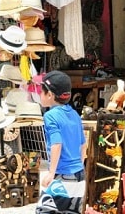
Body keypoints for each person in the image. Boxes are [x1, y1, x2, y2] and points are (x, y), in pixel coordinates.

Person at [36, 70, 87, 214]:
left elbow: (56, 144)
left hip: (63, 175)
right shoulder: (75, 114)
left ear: (50, 95)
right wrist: (78, 168)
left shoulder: (51, 116)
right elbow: (83, 145)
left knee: (44, 211)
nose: (40, 94)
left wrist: (51, 173)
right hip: (79, 175)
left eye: (42, 91)